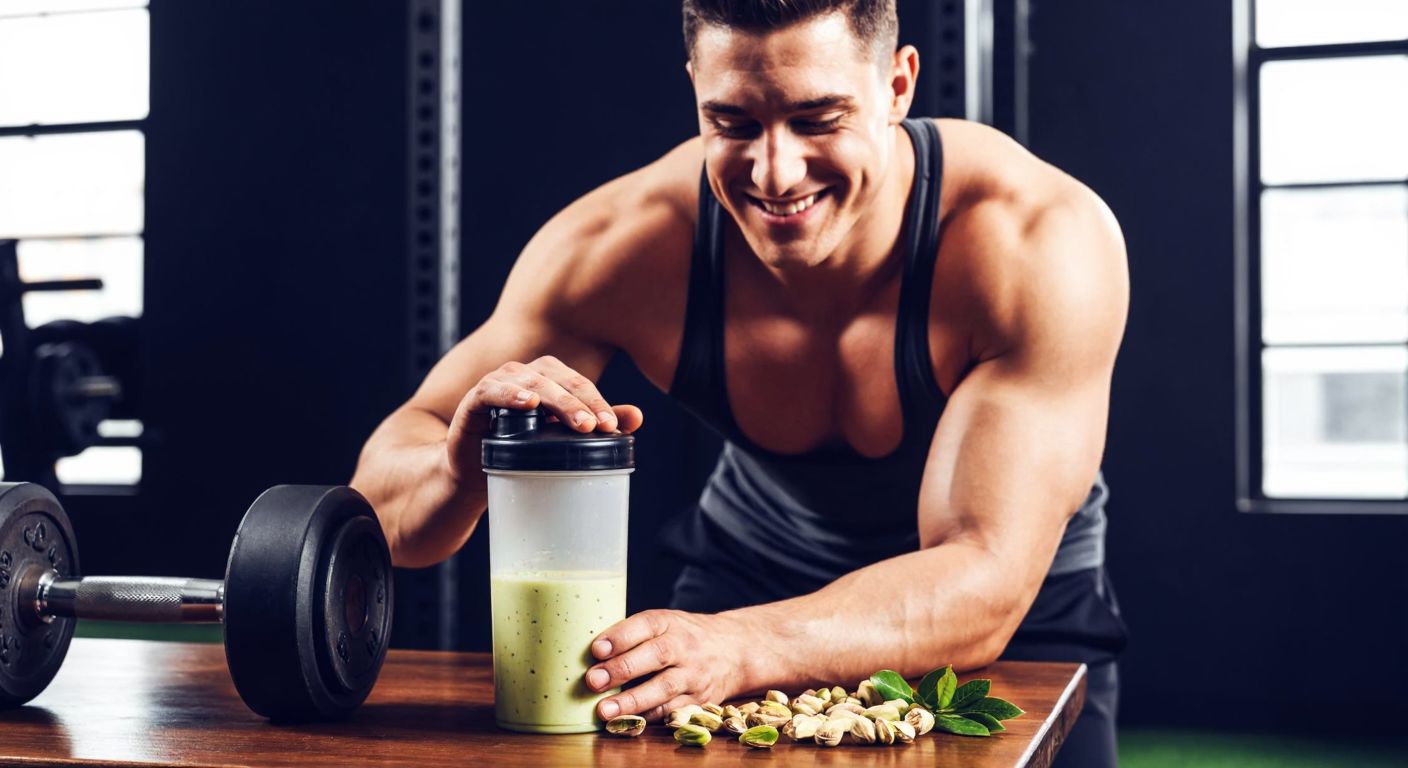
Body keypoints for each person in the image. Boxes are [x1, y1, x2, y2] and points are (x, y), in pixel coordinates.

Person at [351, 1, 1128, 764]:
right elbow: (379, 512)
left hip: (1010, 615)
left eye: (819, 119)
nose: (775, 173)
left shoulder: (1034, 244)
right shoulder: (623, 248)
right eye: (733, 124)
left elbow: (982, 572)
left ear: (898, 86)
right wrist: (458, 468)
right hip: (749, 581)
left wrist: (742, 641)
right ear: (694, 86)